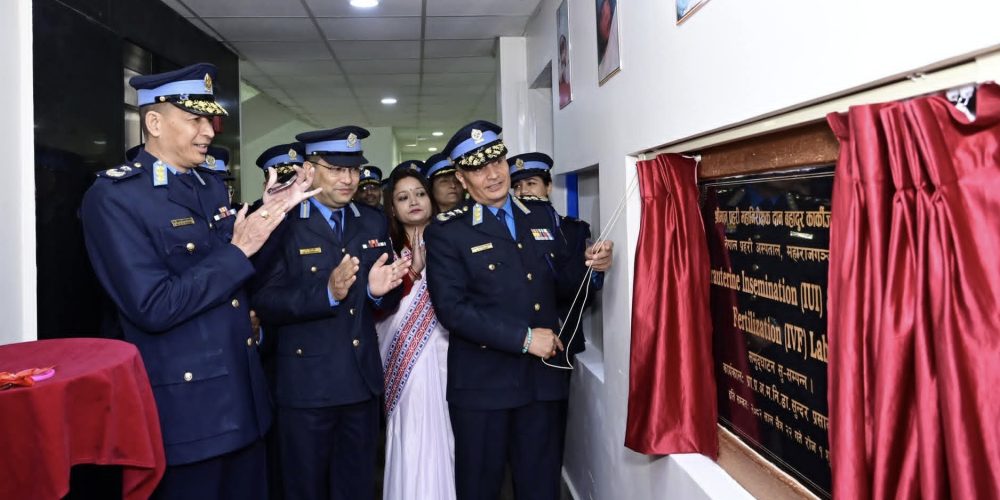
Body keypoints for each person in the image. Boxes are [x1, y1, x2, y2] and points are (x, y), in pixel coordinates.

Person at [80, 62, 319, 499]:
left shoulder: (209, 185)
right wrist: (238, 250)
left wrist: (272, 217)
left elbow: (241, 280)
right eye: (194, 119)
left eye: (210, 120)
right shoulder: (115, 198)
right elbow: (153, 306)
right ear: (154, 123)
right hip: (188, 415)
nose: (208, 131)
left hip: (244, 402)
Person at [424, 121, 613, 500]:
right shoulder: (447, 231)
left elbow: (560, 287)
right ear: (461, 178)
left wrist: (592, 267)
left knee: (540, 487)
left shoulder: (540, 216)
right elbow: (452, 309)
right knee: (479, 489)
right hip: (482, 384)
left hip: (541, 382)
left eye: (497, 162)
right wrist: (525, 339)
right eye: (478, 168)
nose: (493, 174)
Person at [251, 125, 410, 500]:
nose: (349, 179)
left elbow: (384, 299)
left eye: (353, 169)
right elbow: (265, 300)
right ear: (309, 169)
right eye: (336, 169)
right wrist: (326, 292)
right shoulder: (282, 219)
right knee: (305, 489)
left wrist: (376, 292)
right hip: (307, 388)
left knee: (356, 488)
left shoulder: (370, 220)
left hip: (360, 384)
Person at [375, 164, 456, 500]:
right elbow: (377, 309)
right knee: (411, 432)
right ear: (392, 209)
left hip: (448, 354)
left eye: (420, 193)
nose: (414, 202)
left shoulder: (452, 243)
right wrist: (412, 272)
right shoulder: (384, 252)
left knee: (447, 432)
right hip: (404, 361)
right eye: (403, 197)